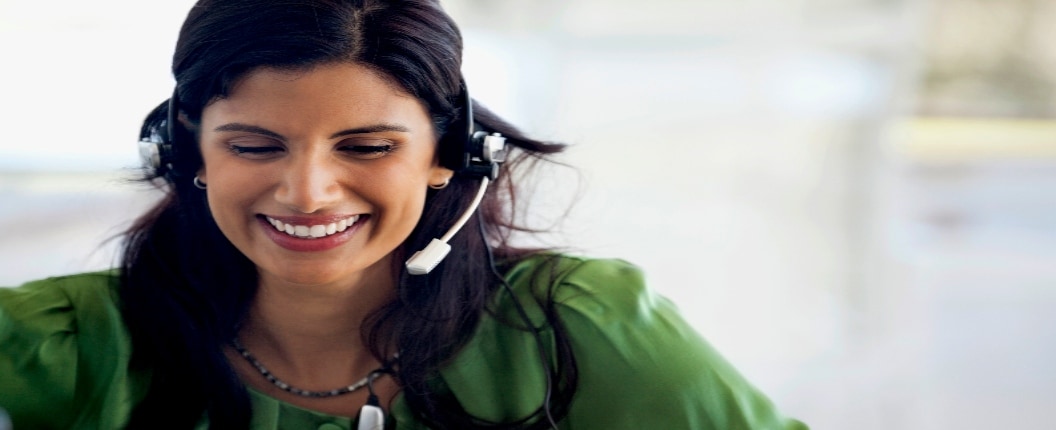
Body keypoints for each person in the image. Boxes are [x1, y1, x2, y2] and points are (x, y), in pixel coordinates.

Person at [0, 1, 809, 429]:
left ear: (449, 153)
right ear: (189, 154)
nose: (308, 192)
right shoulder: (51, 345)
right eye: (254, 146)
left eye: (366, 146)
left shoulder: (580, 325)